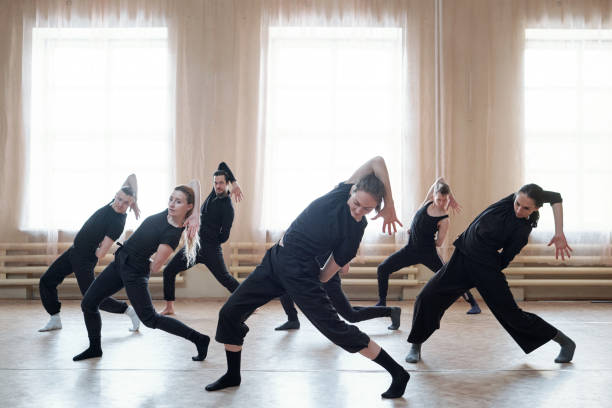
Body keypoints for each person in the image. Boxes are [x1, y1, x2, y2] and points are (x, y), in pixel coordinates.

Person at [206, 157, 410, 399]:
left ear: (373, 210)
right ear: (352, 190)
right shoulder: (340, 192)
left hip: (301, 275)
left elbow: (331, 268)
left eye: (367, 209)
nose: (358, 211)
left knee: (337, 330)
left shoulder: (355, 230)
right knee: (229, 313)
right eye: (357, 203)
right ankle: (233, 374)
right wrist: (390, 204)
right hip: (275, 260)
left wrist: (311, 283)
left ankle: (398, 373)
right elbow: (377, 161)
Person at [405, 184, 576, 365]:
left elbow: (506, 257)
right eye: (518, 203)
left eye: (526, 208)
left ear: (536, 208)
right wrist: (559, 232)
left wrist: (489, 271)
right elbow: (556, 196)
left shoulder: (522, 230)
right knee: (427, 296)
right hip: (461, 259)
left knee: (513, 316)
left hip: (486, 269)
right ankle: (416, 344)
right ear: (515, 197)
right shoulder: (507, 202)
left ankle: (565, 342)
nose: (519, 209)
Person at [73, 181, 210, 362]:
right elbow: (194, 183)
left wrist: (139, 260)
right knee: (89, 303)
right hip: (119, 263)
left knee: (150, 319)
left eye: (178, 202)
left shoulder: (172, 234)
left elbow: (154, 267)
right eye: (171, 199)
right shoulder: (168, 214)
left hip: (134, 272)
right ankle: (95, 348)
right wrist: (197, 213)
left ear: (188, 206)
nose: (171, 204)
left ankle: (199, 339)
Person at [38, 174, 141, 332]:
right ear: (116, 195)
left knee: (92, 297)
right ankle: (55, 318)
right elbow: (131, 178)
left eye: (126, 202)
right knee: (46, 280)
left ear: (129, 203)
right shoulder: (113, 203)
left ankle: (128, 311)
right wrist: (134, 202)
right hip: (73, 252)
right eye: (119, 199)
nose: (120, 204)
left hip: (85, 259)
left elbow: (101, 254)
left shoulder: (118, 222)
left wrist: (93, 249)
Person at [376, 178, 481, 314]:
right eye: (439, 200)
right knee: (383, 268)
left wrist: (422, 236)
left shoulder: (444, 219)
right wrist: (414, 231)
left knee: (451, 276)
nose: (442, 203)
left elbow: (439, 243)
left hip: (428, 254)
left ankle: (473, 304)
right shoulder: (427, 202)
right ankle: (382, 302)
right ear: (433, 196)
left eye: (446, 200)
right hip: (410, 250)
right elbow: (440, 180)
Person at [161, 162, 243, 315]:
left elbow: (224, 236)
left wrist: (209, 238)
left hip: (211, 249)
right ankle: (169, 307)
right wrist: (235, 183)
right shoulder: (213, 194)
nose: (218, 186)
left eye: (221, 183)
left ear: (226, 185)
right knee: (169, 271)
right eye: (216, 183)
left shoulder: (227, 206)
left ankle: (250, 303)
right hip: (194, 246)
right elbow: (222, 164)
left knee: (225, 279)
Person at [274, 274, 401, 331]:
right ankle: (292, 320)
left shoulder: (329, 233)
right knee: (283, 284)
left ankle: (390, 311)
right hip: (310, 277)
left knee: (351, 315)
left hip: (328, 279)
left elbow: (343, 266)